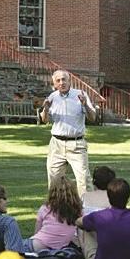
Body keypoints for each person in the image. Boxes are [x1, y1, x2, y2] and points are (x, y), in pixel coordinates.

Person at [40, 69, 96, 197]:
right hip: (56, 145)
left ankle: (88, 213)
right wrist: (46, 109)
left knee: (84, 181)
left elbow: (93, 118)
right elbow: (45, 120)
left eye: (64, 79)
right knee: (54, 180)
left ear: (69, 81)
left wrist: (85, 105)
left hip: (76, 144)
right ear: (54, 83)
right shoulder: (52, 97)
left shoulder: (80, 95)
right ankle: (56, 211)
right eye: (58, 81)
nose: (61, 83)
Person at [77, 178, 130, 259]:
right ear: (128, 198)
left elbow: (79, 222)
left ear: (108, 198)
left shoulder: (99, 217)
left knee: (86, 228)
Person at [26, 176, 82, 252]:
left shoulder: (46, 208)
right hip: (57, 249)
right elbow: (80, 235)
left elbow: (37, 231)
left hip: (35, 245)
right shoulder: (78, 212)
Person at [80, 166, 115, 259]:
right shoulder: (113, 197)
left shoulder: (85, 196)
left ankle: (89, 255)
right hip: (108, 234)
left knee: (82, 226)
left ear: (94, 182)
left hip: (91, 235)